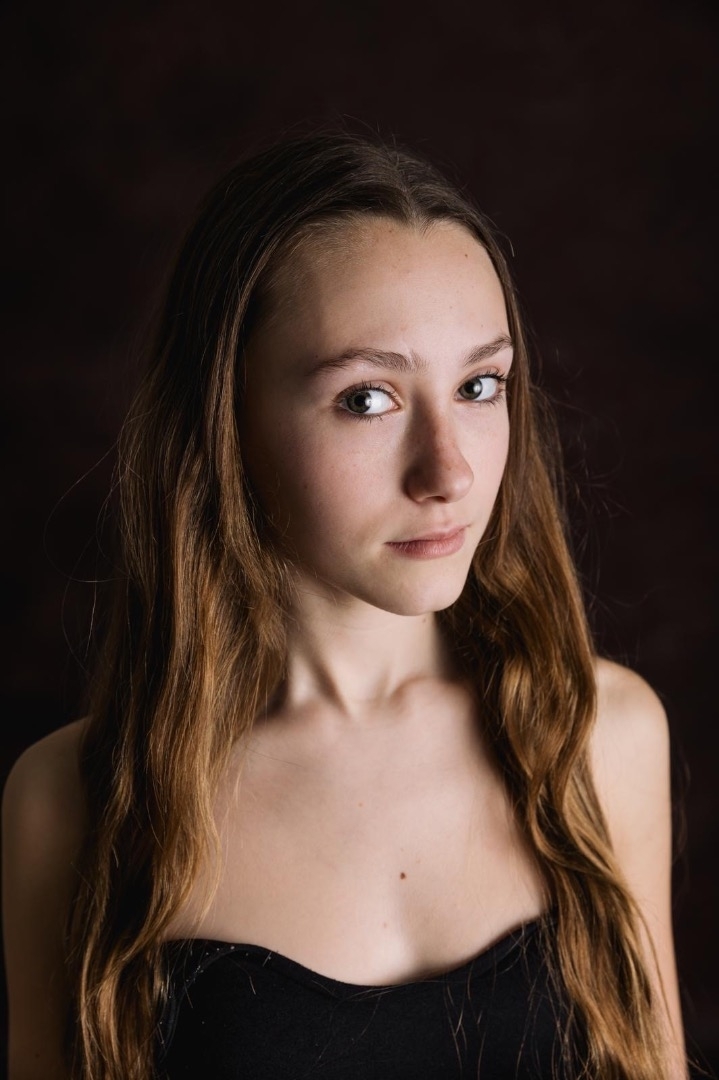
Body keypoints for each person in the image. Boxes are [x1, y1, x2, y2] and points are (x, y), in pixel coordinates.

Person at [2, 130, 688, 1079]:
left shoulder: (599, 736)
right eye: (367, 399)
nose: (449, 472)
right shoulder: (75, 803)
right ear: (225, 420)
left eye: (479, 385)